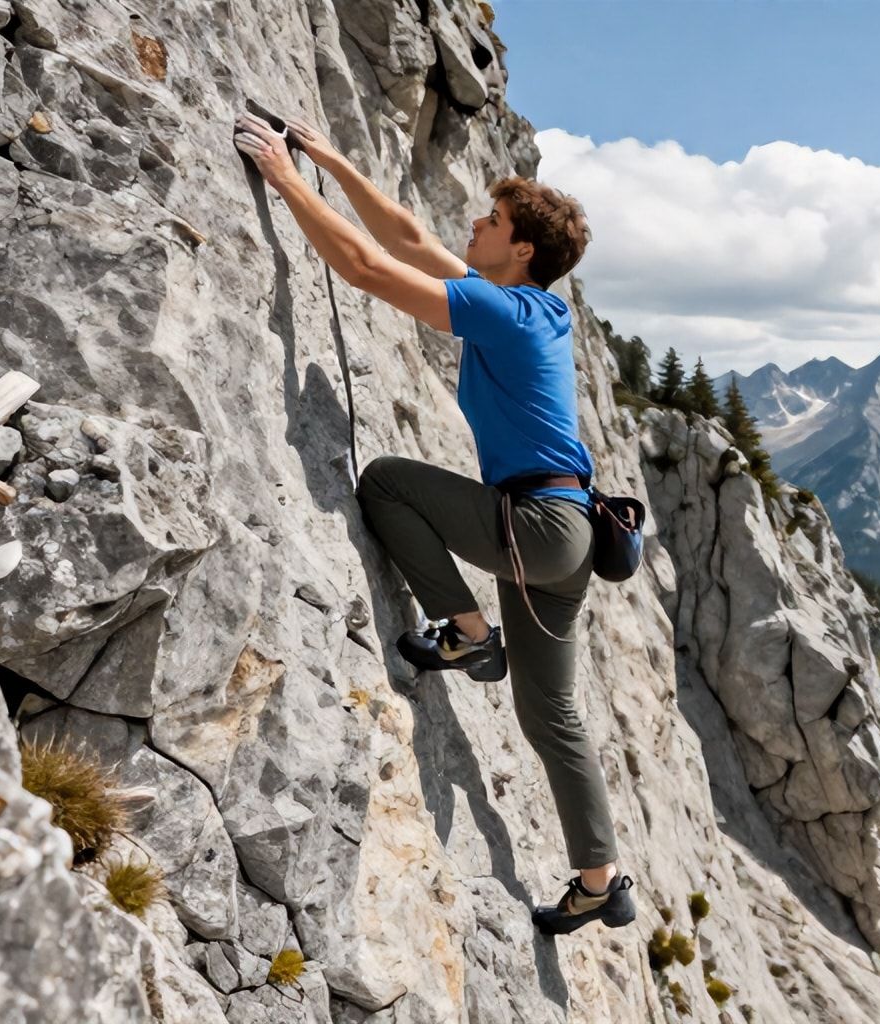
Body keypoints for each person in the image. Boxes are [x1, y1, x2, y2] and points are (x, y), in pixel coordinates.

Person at [233, 112, 632, 935]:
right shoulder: (537, 311)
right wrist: (332, 157)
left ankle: (466, 632)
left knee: (385, 481)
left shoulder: (510, 316)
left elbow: (368, 265)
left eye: (492, 222)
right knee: (549, 716)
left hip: (538, 525)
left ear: (520, 250)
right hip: (571, 540)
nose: (476, 225)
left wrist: (285, 181)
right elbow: (411, 239)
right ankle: (602, 879)